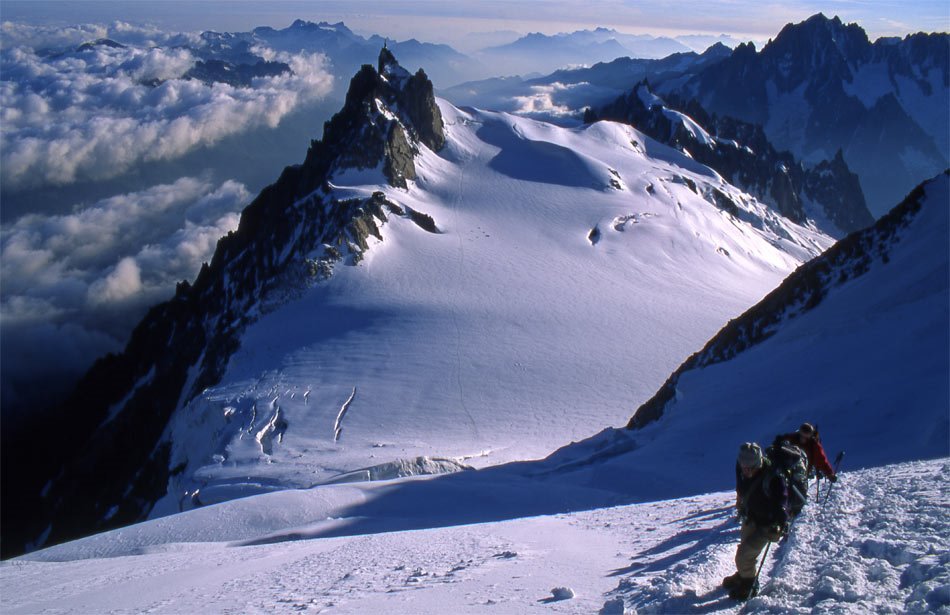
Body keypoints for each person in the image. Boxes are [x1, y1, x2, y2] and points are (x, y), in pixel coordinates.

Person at [723, 442, 791, 601]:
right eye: (744, 466)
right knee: (744, 549)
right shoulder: (741, 467)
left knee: (744, 555)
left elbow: (782, 503)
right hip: (751, 517)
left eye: (750, 468)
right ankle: (742, 574)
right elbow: (741, 486)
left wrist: (780, 524)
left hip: (768, 524)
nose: (746, 471)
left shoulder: (774, 478)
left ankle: (749, 585)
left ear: (759, 463)